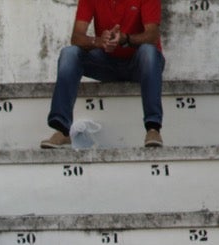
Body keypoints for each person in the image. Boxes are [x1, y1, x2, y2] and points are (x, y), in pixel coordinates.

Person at [42, 0, 165, 148]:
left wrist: (125, 39)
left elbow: (152, 36)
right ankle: (62, 130)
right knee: (69, 53)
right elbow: (76, 37)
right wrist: (99, 41)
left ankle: (153, 129)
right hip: (106, 63)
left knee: (149, 52)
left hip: (139, 65)